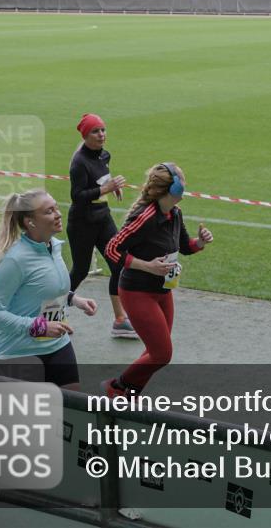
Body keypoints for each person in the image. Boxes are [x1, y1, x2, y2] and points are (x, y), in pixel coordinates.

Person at [102, 163, 213, 397]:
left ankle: (130, 393)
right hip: (137, 292)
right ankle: (116, 388)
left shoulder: (175, 213)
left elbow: (185, 247)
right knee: (162, 354)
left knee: (156, 352)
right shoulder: (146, 217)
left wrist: (200, 242)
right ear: (172, 187)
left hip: (163, 291)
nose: (185, 184)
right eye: (182, 180)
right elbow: (112, 249)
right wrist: (148, 267)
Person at [0, 189, 98, 389]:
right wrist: (39, 326)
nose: (58, 214)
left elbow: (45, 289)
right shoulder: (15, 259)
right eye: (49, 211)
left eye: (56, 208)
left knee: (70, 406)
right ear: (30, 222)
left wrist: (73, 299)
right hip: (19, 352)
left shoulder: (52, 246)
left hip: (57, 345)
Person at [67, 113, 135, 338]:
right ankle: (50, 307)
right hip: (82, 223)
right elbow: (78, 196)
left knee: (118, 264)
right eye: (96, 131)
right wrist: (106, 188)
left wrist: (112, 185)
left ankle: (120, 320)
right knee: (80, 270)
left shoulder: (104, 155)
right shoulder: (79, 162)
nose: (101, 134)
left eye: (103, 130)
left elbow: (102, 175)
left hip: (102, 218)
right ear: (86, 135)